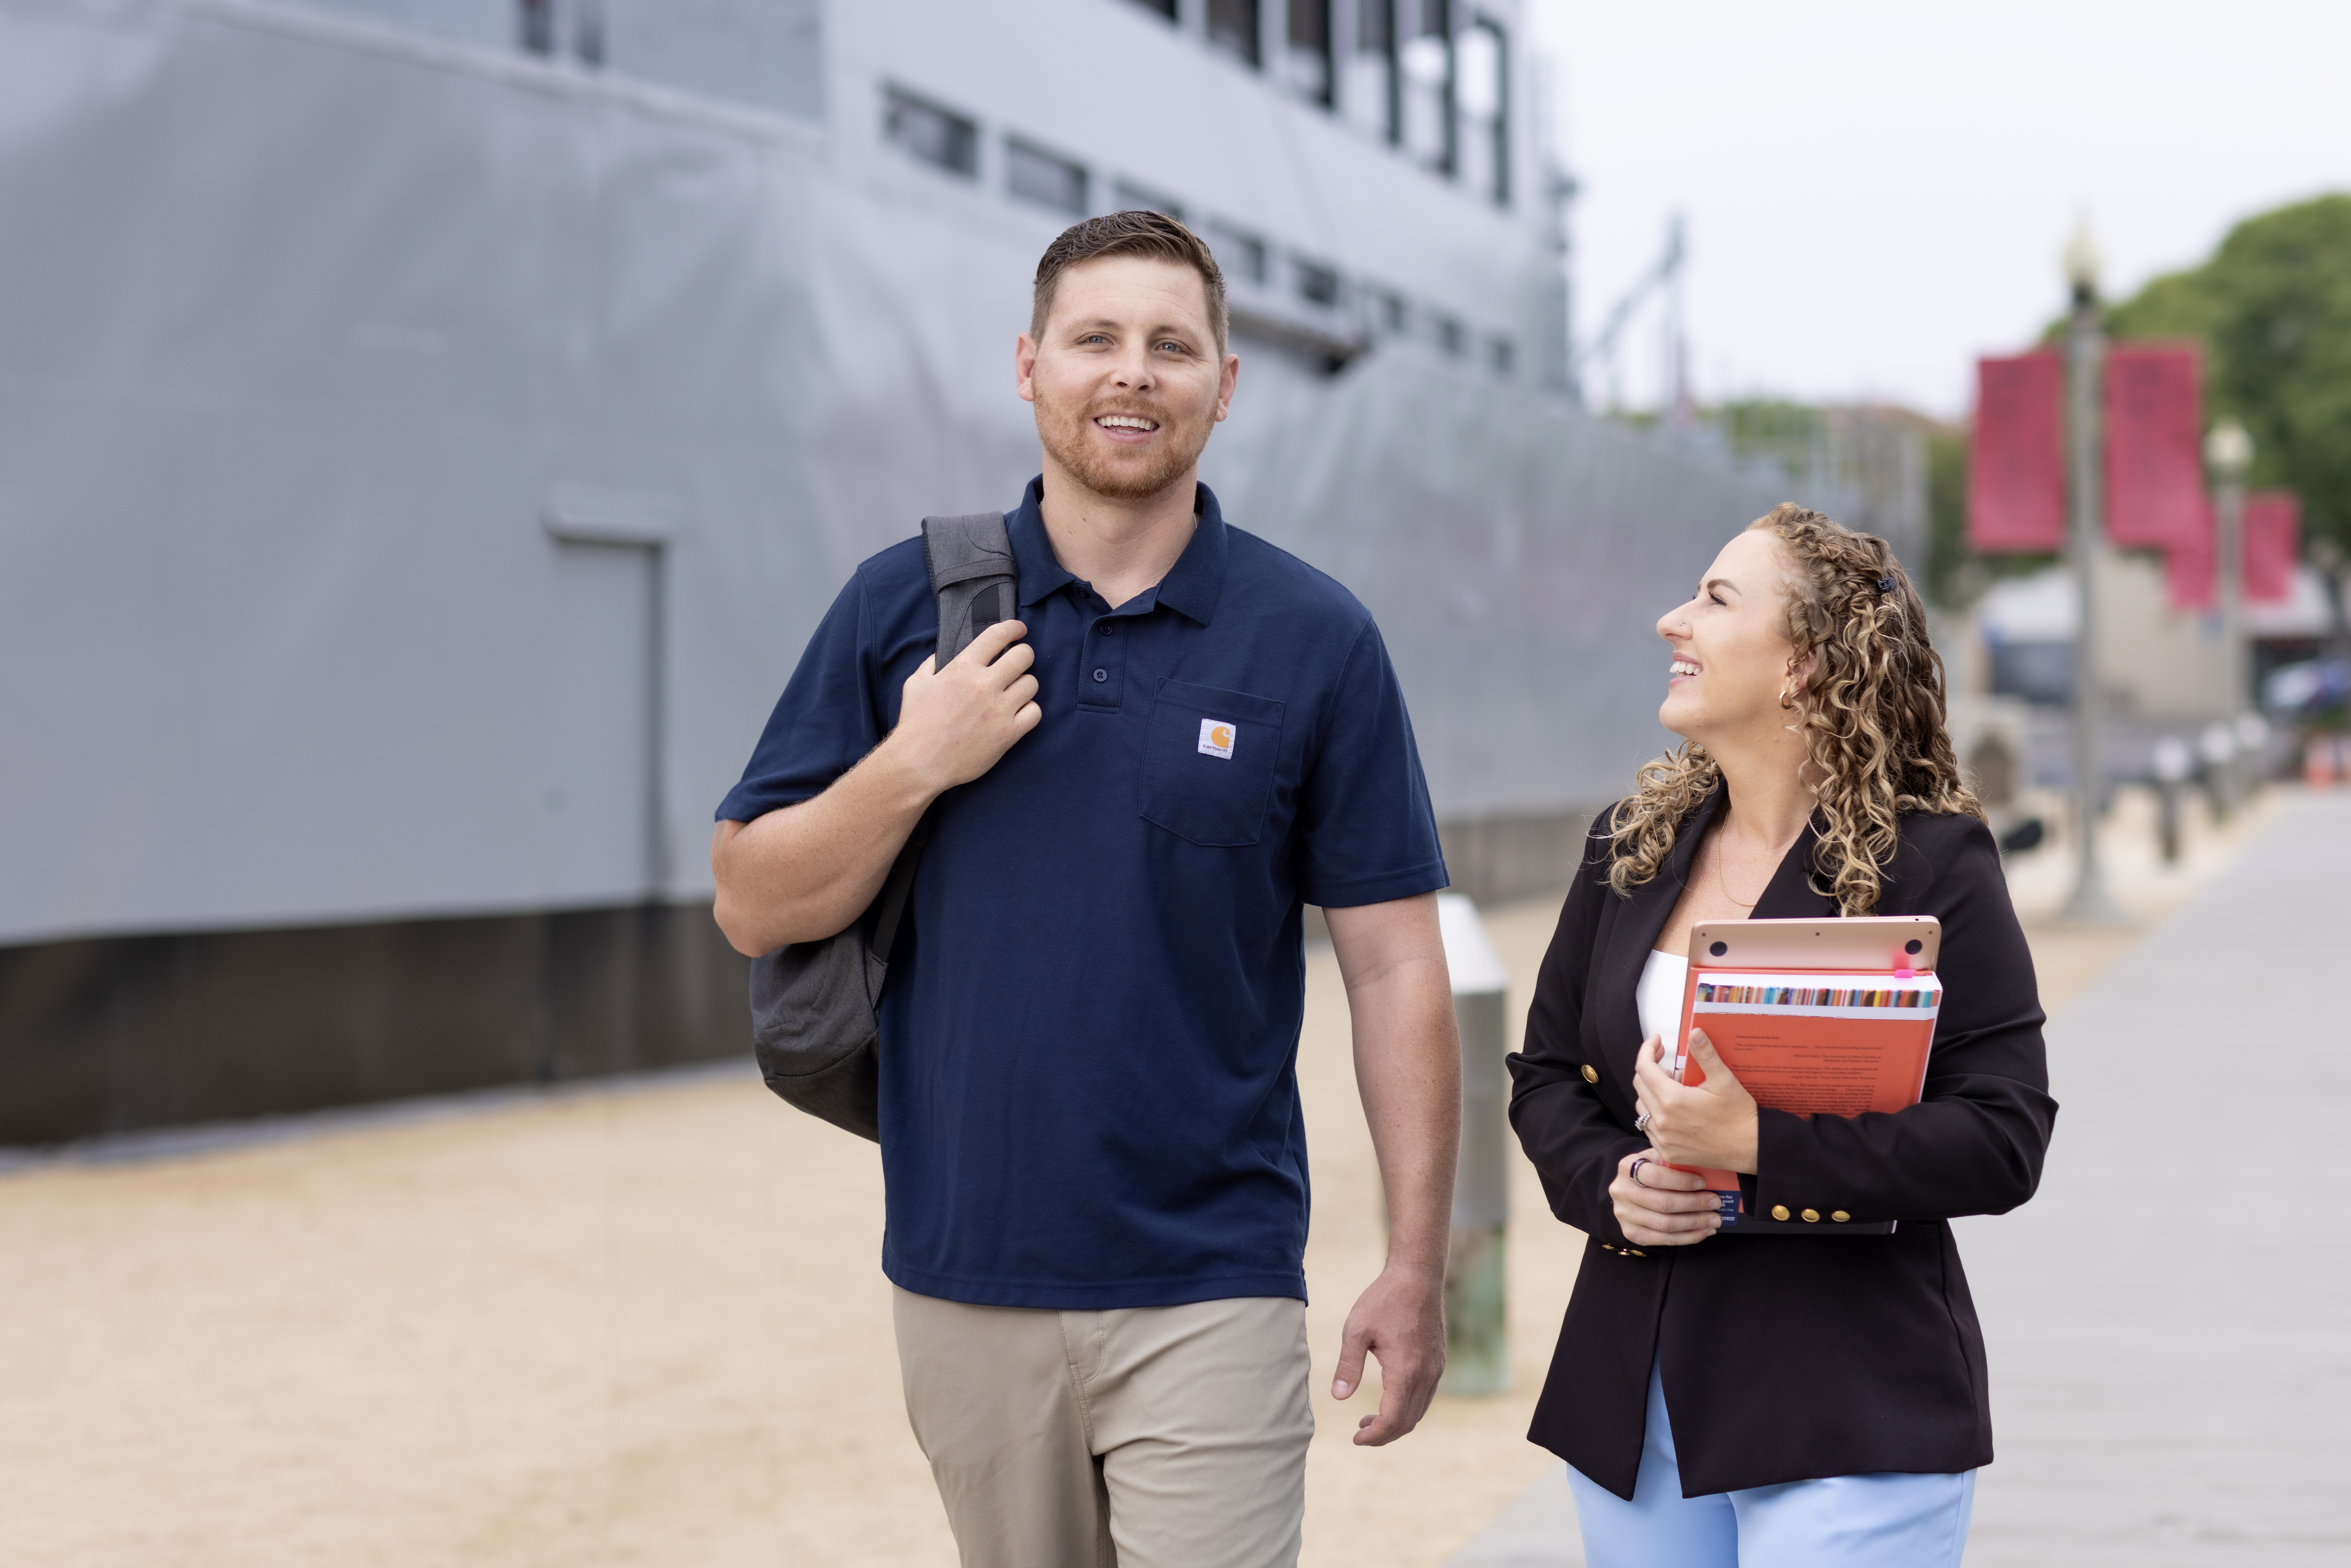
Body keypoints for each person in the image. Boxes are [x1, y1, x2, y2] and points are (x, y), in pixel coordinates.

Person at [710, 211, 1460, 1568]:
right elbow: (752, 901)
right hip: (963, 1271)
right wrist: (915, 761)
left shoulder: (1315, 638)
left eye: (1172, 346)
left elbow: (1394, 965)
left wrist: (1417, 1265)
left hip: (1213, 1277)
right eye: (1095, 339)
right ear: (1028, 365)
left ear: (1224, 385)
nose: (1132, 373)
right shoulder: (901, 610)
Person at [1506, 504, 2057, 1567]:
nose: (1674, 620)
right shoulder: (1626, 848)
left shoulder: (1935, 861)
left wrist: (1758, 1145)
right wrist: (1613, 1182)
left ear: (1805, 662)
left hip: (1845, 1400)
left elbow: (2004, 1135)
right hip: (1632, 1406)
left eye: (1715, 600)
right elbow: (1542, 1079)